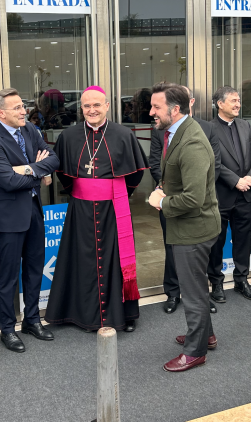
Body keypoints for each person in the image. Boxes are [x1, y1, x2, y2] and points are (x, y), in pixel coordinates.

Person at [45, 86, 147, 332]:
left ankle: (123, 314)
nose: (92, 110)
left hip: (114, 209)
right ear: (81, 109)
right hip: (80, 209)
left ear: (107, 106)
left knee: (116, 259)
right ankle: (78, 313)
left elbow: (135, 174)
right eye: (87, 106)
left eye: (97, 105)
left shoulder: (124, 134)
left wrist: (111, 193)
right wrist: (85, 193)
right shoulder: (68, 136)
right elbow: (63, 175)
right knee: (81, 259)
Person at [147, 82, 221, 372]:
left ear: (175, 109)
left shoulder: (191, 142)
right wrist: (163, 189)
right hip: (187, 227)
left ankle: (195, 351)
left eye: (156, 107)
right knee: (196, 288)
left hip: (194, 229)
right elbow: (176, 177)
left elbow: (193, 198)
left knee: (192, 293)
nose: (151, 112)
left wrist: (161, 203)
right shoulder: (176, 133)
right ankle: (207, 335)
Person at [0, 88, 59, 352]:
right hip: (8, 218)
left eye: (22, 106)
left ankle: (32, 320)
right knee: (8, 276)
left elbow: (53, 159)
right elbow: (7, 180)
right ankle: (6, 328)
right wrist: (39, 173)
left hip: (34, 211)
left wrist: (28, 169)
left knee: (35, 269)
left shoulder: (30, 131)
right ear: (1, 112)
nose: (23, 111)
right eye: (16, 108)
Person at [209, 86, 251, 301]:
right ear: (220, 104)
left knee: (243, 240)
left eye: (239, 100)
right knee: (217, 242)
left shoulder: (245, 126)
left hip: (246, 194)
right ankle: (217, 283)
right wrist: (235, 181)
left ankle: (242, 280)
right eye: (233, 100)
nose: (238, 104)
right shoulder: (208, 128)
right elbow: (213, 161)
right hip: (222, 195)